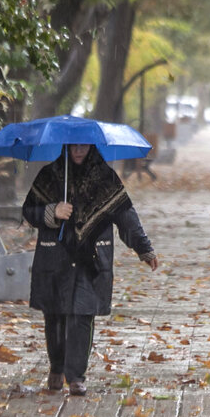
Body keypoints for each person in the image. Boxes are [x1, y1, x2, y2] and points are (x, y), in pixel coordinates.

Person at [22, 143, 158, 396]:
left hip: (90, 259)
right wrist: (52, 212)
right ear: (65, 147)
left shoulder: (106, 178)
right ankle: (56, 367)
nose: (78, 151)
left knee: (83, 314)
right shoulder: (50, 174)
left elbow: (126, 216)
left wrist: (144, 249)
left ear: (92, 147)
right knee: (55, 315)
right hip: (55, 258)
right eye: (74, 146)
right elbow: (29, 211)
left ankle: (76, 376)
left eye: (83, 146)